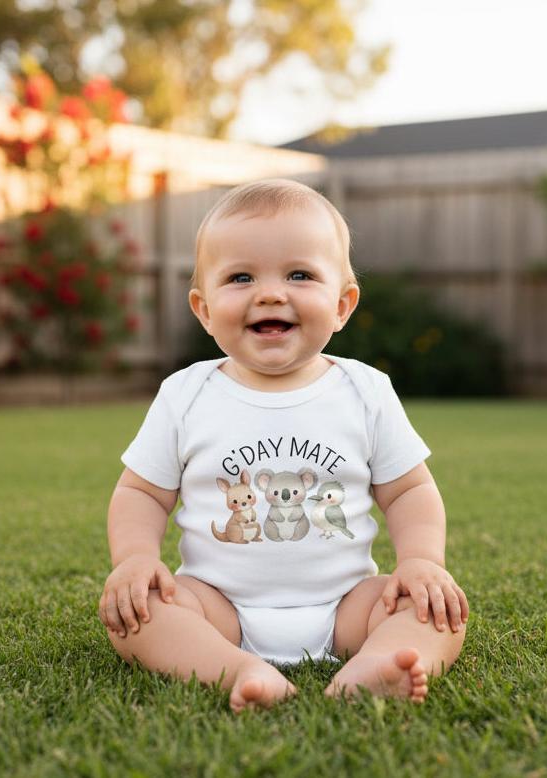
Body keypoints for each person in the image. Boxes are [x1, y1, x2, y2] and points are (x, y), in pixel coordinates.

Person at [98, 178, 468, 713]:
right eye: (241, 277)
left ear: (342, 305)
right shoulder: (186, 395)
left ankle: (372, 665)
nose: (270, 293)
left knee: (435, 610)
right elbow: (142, 493)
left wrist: (421, 560)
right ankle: (236, 669)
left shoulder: (364, 391)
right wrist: (134, 559)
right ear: (203, 310)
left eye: (299, 274)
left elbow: (409, 488)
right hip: (217, 607)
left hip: (348, 606)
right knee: (138, 616)